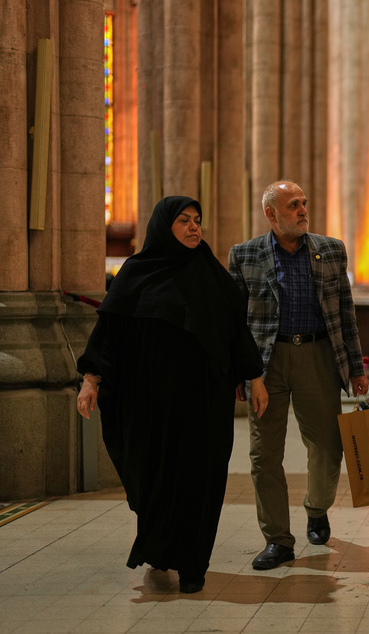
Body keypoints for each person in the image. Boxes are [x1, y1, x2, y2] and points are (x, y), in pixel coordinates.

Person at [75, 196, 267, 594]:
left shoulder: (212, 276)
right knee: (154, 477)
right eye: (184, 221)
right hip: (150, 403)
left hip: (204, 402)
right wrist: (90, 379)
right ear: (165, 226)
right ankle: (161, 550)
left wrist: (255, 377)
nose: (195, 228)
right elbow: (109, 334)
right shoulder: (136, 273)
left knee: (201, 478)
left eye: (198, 220)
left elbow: (236, 331)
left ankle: (193, 564)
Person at [228, 181, 369, 570]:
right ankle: (277, 539)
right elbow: (235, 324)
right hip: (265, 367)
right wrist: (243, 376)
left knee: (327, 446)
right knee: (264, 455)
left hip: (318, 355)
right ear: (271, 214)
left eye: (304, 203)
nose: (303, 210)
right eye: (294, 205)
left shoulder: (330, 250)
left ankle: (316, 506)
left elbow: (345, 313)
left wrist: (356, 367)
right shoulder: (244, 255)